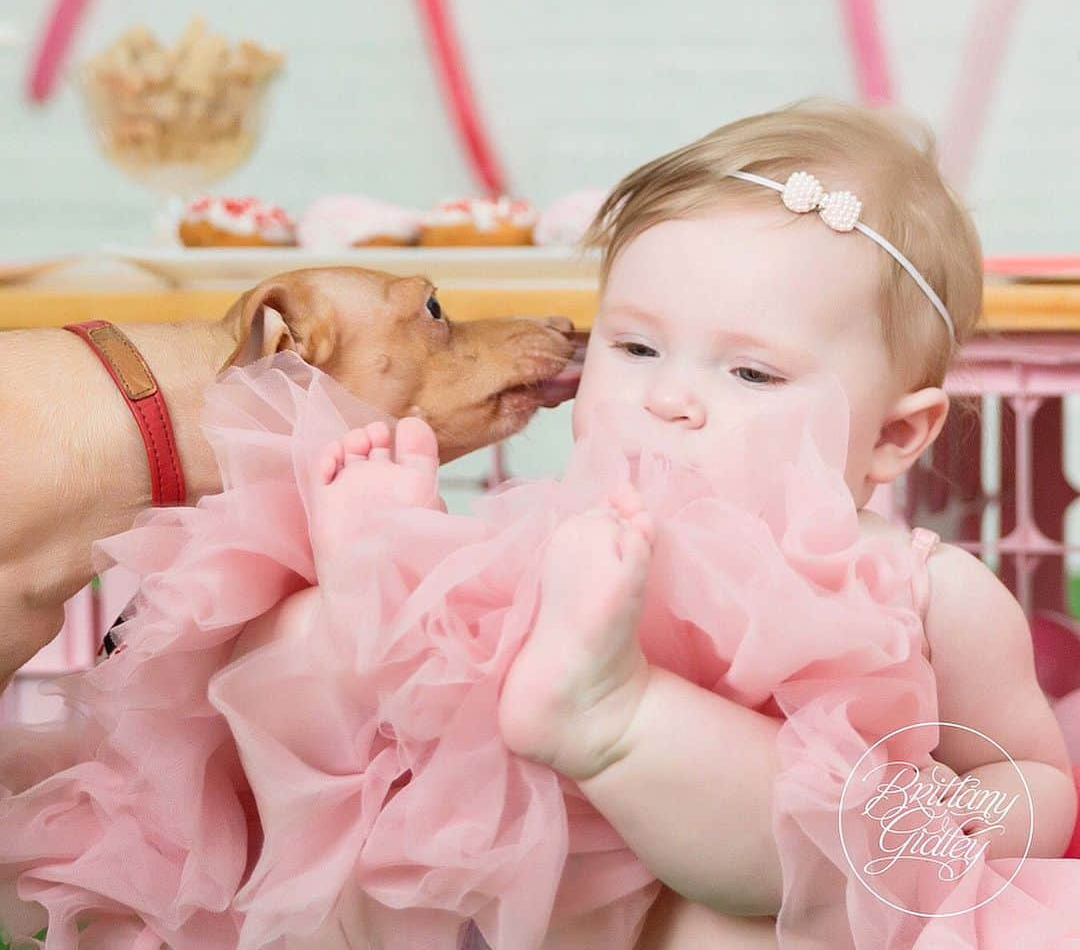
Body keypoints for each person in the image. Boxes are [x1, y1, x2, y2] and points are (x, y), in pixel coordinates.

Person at [2, 97, 1077, 948]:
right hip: (508, 917)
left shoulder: (923, 587)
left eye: (750, 370)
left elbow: (1035, 772)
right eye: (636, 347)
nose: (669, 399)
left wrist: (944, 824)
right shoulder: (545, 544)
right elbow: (394, 768)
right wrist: (382, 580)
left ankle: (612, 717)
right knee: (319, 657)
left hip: (766, 918)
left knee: (795, 857)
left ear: (896, 436)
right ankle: (373, 583)